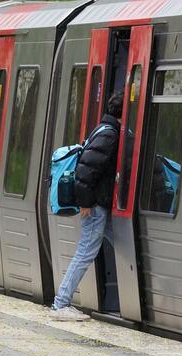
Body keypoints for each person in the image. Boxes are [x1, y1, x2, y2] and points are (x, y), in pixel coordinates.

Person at [49, 92, 123, 321]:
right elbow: (85, 171)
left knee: (125, 241)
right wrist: (85, 203)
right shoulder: (109, 135)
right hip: (95, 206)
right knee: (85, 252)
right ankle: (61, 304)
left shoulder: (104, 129)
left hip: (99, 204)